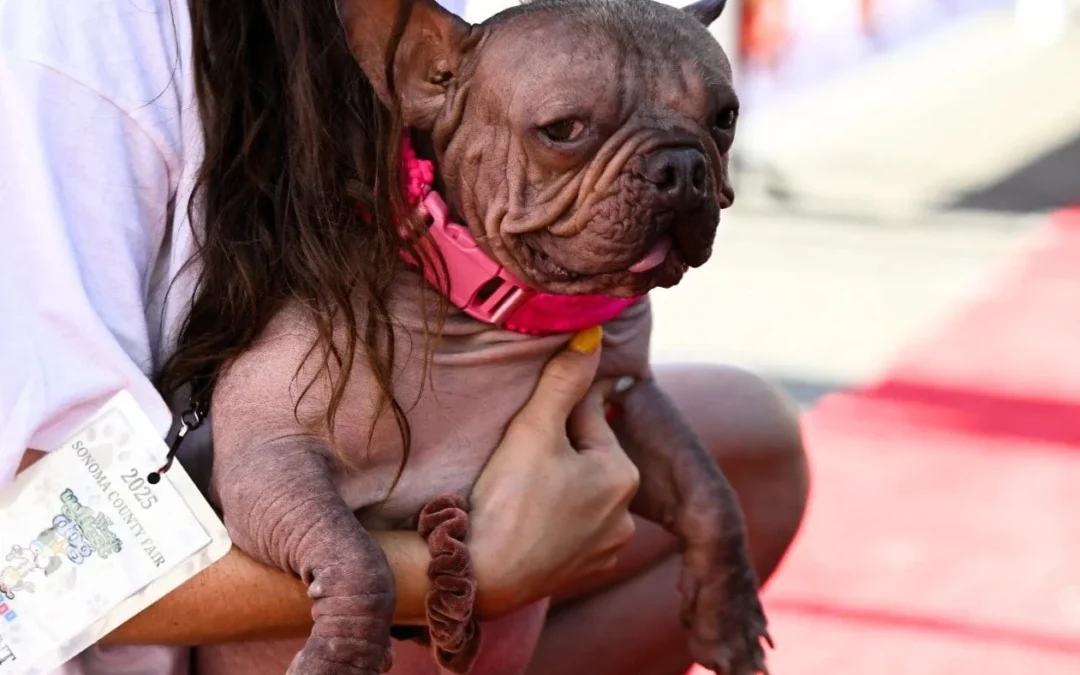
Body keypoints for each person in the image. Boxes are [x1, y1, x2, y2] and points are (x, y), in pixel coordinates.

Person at [0, 0, 810, 674]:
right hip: (103, 636)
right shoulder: (78, 45)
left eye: (717, 124)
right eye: (566, 130)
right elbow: (26, 568)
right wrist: (459, 575)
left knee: (751, 444)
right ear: (419, 69)